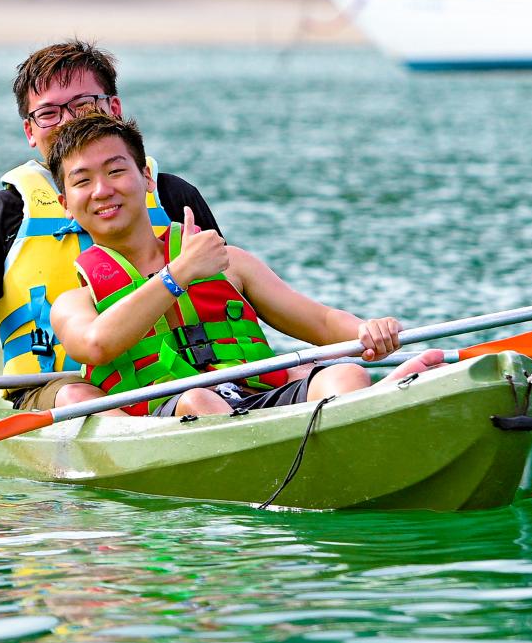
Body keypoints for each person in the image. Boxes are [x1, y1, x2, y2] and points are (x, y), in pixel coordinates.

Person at [0, 40, 223, 412]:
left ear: (114, 109)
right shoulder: (3, 212)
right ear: (30, 130)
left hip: (172, 379)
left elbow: (225, 293)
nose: (68, 121)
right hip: (58, 389)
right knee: (80, 396)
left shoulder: (172, 195)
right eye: (48, 113)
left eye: (83, 104)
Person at [47, 114, 444, 416]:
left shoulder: (231, 265)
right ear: (66, 203)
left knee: (346, 374)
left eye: (116, 171)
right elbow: (97, 345)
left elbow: (320, 322)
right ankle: (371, 407)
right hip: (170, 418)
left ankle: (376, 406)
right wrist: (179, 274)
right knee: (198, 400)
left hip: (258, 399)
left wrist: (366, 331)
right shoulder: (72, 304)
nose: (102, 190)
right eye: (82, 181)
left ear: (146, 177)